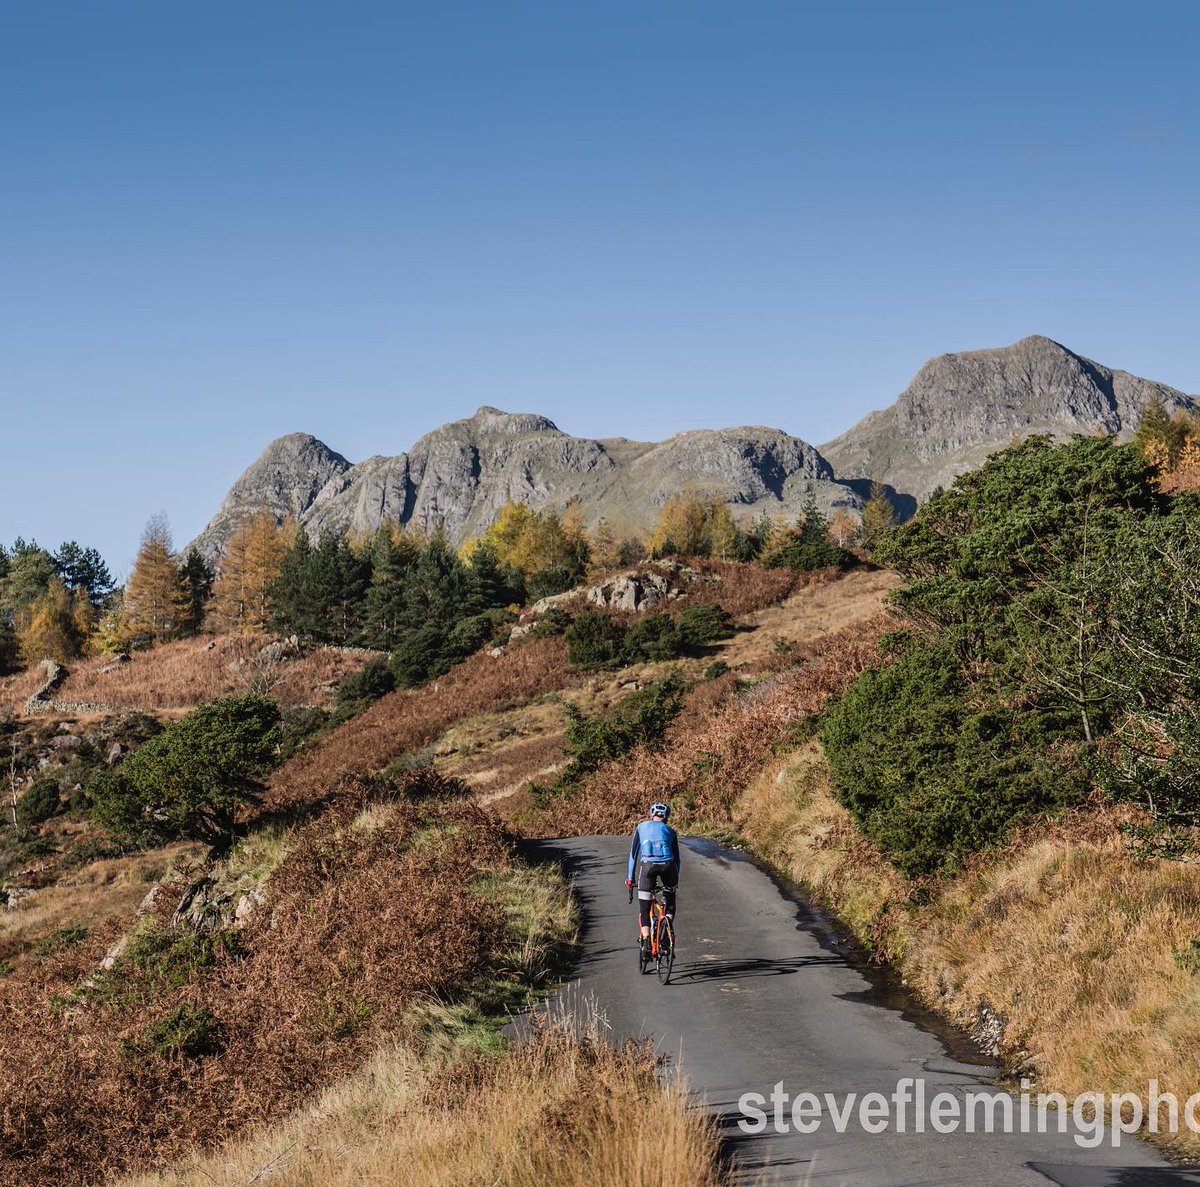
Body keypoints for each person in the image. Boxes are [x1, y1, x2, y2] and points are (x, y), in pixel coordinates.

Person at [626, 801, 680, 958]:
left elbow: (633, 856)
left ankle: (647, 941)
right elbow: (677, 861)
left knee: (644, 908)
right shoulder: (670, 831)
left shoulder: (641, 827)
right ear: (667, 817)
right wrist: (675, 881)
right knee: (669, 902)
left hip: (648, 866)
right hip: (669, 867)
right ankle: (665, 937)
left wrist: (630, 879)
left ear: (651, 814)